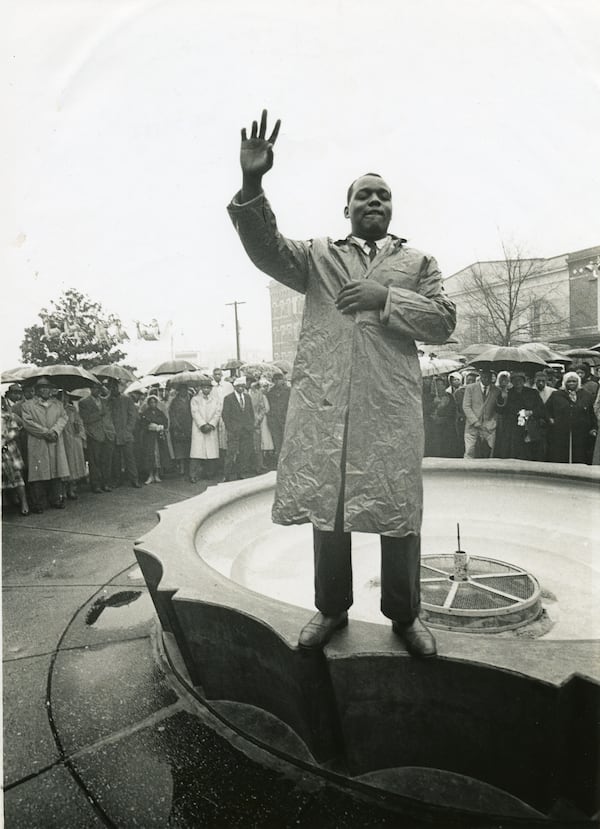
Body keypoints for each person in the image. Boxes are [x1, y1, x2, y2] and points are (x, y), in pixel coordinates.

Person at [227, 111, 456, 655]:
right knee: (328, 507)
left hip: (390, 406)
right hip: (327, 404)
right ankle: (331, 609)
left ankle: (404, 616)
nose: (375, 202)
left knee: (398, 509)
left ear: (391, 209)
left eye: (384, 196)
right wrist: (253, 183)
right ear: (347, 208)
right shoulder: (318, 257)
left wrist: (386, 299)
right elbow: (267, 250)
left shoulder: (418, 261)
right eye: (364, 196)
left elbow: (444, 322)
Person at [20, 377, 70, 512]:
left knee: (56, 471)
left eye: (47, 387)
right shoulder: (27, 405)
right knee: (38, 473)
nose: (44, 390)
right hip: (38, 442)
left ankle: (56, 499)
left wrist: (55, 431)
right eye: (41, 388)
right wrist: (45, 432)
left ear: (51, 390)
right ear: (36, 390)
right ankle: (38, 503)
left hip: (54, 440)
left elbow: (63, 418)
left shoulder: (58, 404)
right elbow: (28, 423)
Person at [546, 372, 597, 464]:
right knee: (561, 455)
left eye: (574, 381)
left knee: (579, 455)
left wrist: (593, 427)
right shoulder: (556, 395)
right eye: (569, 381)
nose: (572, 384)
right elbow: (546, 410)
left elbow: (591, 413)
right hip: (561, 431)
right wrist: (550, 419)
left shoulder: (586, 395)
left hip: (581, 432)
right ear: (564, 382)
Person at [495, 370, 547, 461]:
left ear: (524, 381)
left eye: (520, 380)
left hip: (530, 428)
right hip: (511, 429)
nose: (518, 382)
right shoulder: (507, 393)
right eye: (515, 380)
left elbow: (542, 410)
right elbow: (500, 410)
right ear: (511, 382)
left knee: (529, 453)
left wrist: (530, 412)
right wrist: (502, 398)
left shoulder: (532, 393)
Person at [79, 383, 115, 493]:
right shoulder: (84, 402)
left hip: (107, 434)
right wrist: (99, 414)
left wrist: (111, 431)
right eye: (94, 388)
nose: (97, 390)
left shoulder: (104, 401)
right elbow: (86, 419)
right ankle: (96, 485)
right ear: (90, 389)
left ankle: (106, 483)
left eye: (98, 388)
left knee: (107, 461)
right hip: (94, 435)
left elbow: (110, 396)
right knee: (94, 462)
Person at [106, 379, 141, 487]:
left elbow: (132, 416)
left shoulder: (126, 399)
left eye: (115, 387)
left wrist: (128, 430)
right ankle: (117, 480)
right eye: (110, 387)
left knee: (129, 458)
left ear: (118, 387)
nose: (113, 389)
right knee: (115, 460)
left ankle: (134, 479)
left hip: (126, 434)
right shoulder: (107, 401)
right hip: (113, 434)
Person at [221, 376, 256, 481]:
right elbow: (225, 415)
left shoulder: (247, 397)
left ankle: (240, 473)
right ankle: (226, 475)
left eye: (243, 386)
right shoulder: (228, 398)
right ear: (235, 386)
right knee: (231, 454)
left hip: (246, 430)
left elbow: (251, 413)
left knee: (244, 453)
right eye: (239, 386)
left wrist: (250, 426)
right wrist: (230, 429)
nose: (241, 388)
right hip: (234, 431)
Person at [190, 378, 223, 481]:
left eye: (208, 388)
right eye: (204, 388)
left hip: (211, 429)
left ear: (211, 389)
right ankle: (194, 475)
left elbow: (218, 412)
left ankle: (209, 474)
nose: (206, 390)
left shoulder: (216, 400)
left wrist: (212, 424)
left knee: (211, 452)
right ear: (201, 388)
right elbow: (195, 413)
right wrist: (202, 425)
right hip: (199, 429)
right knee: (197, 453)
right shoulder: (195, 399)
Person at [462, 368, 500, 458]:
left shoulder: (496, 390)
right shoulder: (470, 388)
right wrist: (475, 422)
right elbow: (466, 406)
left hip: (489, 428)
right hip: (471, 427)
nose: (486, 379)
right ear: (481, 377)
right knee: (469, 452)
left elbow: (497, 409)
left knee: (489, 453)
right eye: (484, 376)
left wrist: (493, 422)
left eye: (489, 377)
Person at [1, 399, 29, 515]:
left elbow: (15, 430)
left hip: (8, 448)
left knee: (17, 477)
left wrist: (5, 439)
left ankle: (24, 503)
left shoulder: (7, 416)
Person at [140, 395, 170, 483]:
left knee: (158, 455)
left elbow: (165, 421)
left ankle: (157, 474)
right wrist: (149, 427)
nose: (153, 404)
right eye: (151, 402)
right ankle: (150, 475)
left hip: (158, 438)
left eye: (154, 402)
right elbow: (143, 424)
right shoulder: (145, 413)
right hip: (149, 438)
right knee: (150, 454)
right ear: (148, 404)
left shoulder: (160, 412)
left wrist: (161, 427)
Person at [62, 392, 87, 499]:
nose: (65, 399)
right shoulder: (56, 408)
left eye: (66, 396)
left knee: (73, 463)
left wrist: (80, 433)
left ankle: (72, 488)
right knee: (63, 464)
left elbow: (79, 422)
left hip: (73, 438)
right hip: (62, 439)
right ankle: (62, 490)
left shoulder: (72, 409)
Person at [168, 384, 193, 476]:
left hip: (189, 425)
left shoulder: (191, 399)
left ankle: (189, 467)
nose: (183, 392)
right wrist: (176, 425)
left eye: (185, 390)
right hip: (178, 427)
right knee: (180, 448)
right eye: (181, 390)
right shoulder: (174, 401)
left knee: (189, 447)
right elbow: (172, 414)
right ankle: (181, 467)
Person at [266, 371, 290, 463]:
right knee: (277, 441)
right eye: (275, 380)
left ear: (283, 380)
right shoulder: (270, 392)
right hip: (274, 421)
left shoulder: (289, 391)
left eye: (279, 379)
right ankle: (279, 460)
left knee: (287, 440)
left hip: (286, 419)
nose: (277, 382)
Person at [212, 368, 230, 477]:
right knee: (215, 443)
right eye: (216, 374)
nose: (218, 376)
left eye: (219, 374)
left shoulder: (228, 386)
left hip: (225, 416)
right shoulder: (211, 387)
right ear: (213, 375)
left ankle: (226, 466)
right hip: (214, 417)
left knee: (225, 441)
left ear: (222, 375)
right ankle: (216, 467)